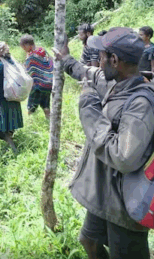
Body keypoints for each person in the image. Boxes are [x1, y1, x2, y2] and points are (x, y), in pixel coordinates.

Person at [56, 27, 154, 259]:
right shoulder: (113, 81)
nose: (97, 60)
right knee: (89, 240)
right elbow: (85, 72)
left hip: (125, 201)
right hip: (105, 192)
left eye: (100, 55)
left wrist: (89, 106)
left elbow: (123, 157)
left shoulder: (142, 103)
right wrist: (65, 58)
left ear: (115, 60)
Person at [0, 42, 23, 153]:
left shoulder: (1, 65)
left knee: (3, 129)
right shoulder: (11, 62)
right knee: (11, 123)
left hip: (4, 99)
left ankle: (14, 149)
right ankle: (12, 141)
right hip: (14, 96)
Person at [20, 34, 53, 118]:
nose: (23, 49)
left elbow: (27, 71)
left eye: (23, 47)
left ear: (27, 45)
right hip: (48, 83)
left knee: (31, 107)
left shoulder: (32, 57)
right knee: (46, 106)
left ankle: (30, 125)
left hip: (37, 86)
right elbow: (51, 63)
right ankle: (50, 124)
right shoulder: (43, 50)